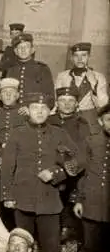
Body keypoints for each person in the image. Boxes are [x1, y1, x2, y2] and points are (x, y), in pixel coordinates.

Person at [1, 92, 81, 252]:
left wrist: (57, 173)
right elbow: (7, 167)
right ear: (27, 111)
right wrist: (7, 195)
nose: (39, 112)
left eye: (43, 109)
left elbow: (78, 160)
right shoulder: (16, 133)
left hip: (50, 201)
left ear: (49, 111)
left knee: (51, 250)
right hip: (22, 200)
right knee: (20, 248)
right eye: (35, 108)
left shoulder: (59, 133)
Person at [74, 103, 110, 252]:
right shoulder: (91, 141)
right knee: (90, 244)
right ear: (101, 121)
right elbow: (83, 173)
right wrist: (79, 200)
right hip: (92, 202)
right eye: (108, 119)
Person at [48, 87, 89, 243]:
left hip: (71, 168)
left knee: (69, 190)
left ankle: (66, 227)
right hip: (49, 165)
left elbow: (83, 151)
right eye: (62, 101)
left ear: (77, 103)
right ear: (57, 103)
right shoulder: (49, 120)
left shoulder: (81, 123)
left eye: (71, 100)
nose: (66, 104)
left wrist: (70, 165)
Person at [55, 42, 108, 133]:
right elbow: (56, 101)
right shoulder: (62, 76)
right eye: (76, 56)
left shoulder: (98, 77)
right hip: (67, 119)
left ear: (89, 57)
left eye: (83, 55)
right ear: (72, 58)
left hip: (89, 122)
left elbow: (103, 104)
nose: (80, 59)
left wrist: (94, 85)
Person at [6, 34, 55, 112]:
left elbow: (49, 97)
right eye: (20, 47)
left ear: (32, 50)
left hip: (35, 113)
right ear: (15, 51)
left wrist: (31, 108)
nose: (23, 50)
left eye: (26, 47)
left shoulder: (42, 69)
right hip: (14, 112)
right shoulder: (11, 70)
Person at [0, 77, 25, 148]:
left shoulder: (24, 113)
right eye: (4, 92)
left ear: (17, 95)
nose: (8, 94)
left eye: (12, 91)